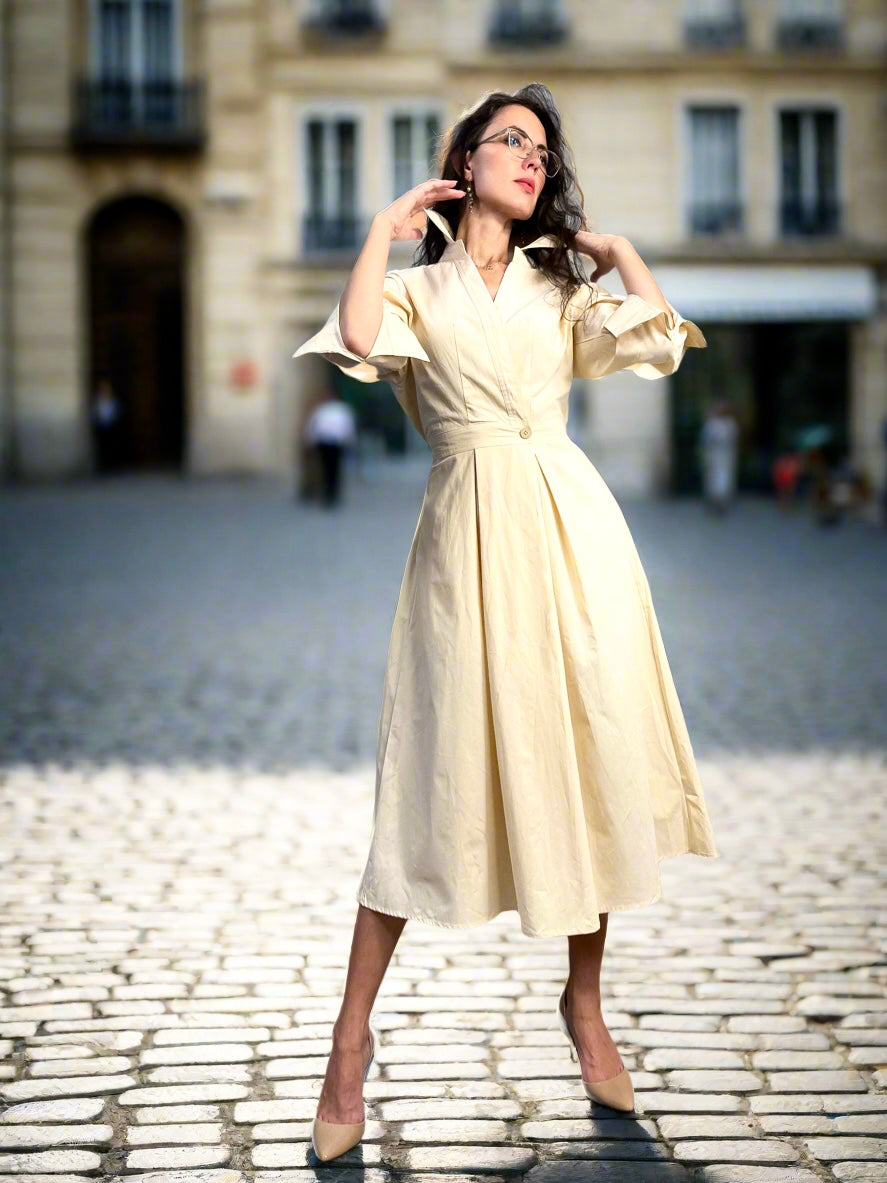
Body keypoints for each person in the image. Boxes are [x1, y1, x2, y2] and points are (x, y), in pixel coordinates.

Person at [293, 82, 720, 1163]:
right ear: (465, 159)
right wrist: (385, 230)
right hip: (464, 541)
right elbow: (353, 331)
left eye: (544, 148)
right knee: (424, 783)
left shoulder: (556, 288)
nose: (533, 159)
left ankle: (583, 1005)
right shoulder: (418, 290)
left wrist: (618, 254)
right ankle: (350, 1041)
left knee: (588, 764)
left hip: (575, 542)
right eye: (513, 141)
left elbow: (660, 342)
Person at [302, 389, 358, 506]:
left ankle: (331, 494)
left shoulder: (334, 409)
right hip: (327, 442)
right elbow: (314, 426)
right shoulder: (325, 409)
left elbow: (313, 426)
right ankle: (329, 493)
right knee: (331, 469)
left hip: (333, 442)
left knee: (332, 469)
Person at [700, 399, 739, 514]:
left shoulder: (730, 424)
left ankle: (723, 502)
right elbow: (706, 440)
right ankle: (713, 501)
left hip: (726, 456)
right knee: (713, 479)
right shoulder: (711, 424)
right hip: (714, 456)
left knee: (725, 479)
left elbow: (733, 438)